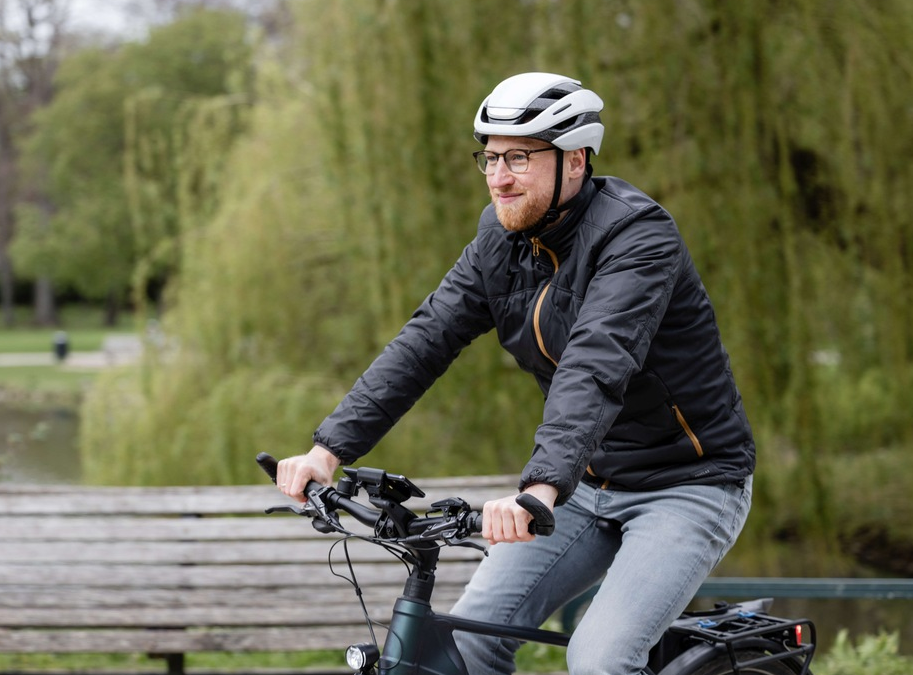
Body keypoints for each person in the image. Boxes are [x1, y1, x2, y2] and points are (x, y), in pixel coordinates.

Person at [273, 72, 756, 675]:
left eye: (520, 158)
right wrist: (328, 449)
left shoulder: (637, 237)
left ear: (575, 161)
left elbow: (596, 362)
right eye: (492, 157)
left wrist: (540, 488)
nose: (499, 177)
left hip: (687, 484)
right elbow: (425, 340)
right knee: (470, 646)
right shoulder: (498, 241)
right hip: (585, 483)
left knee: (599, 660)